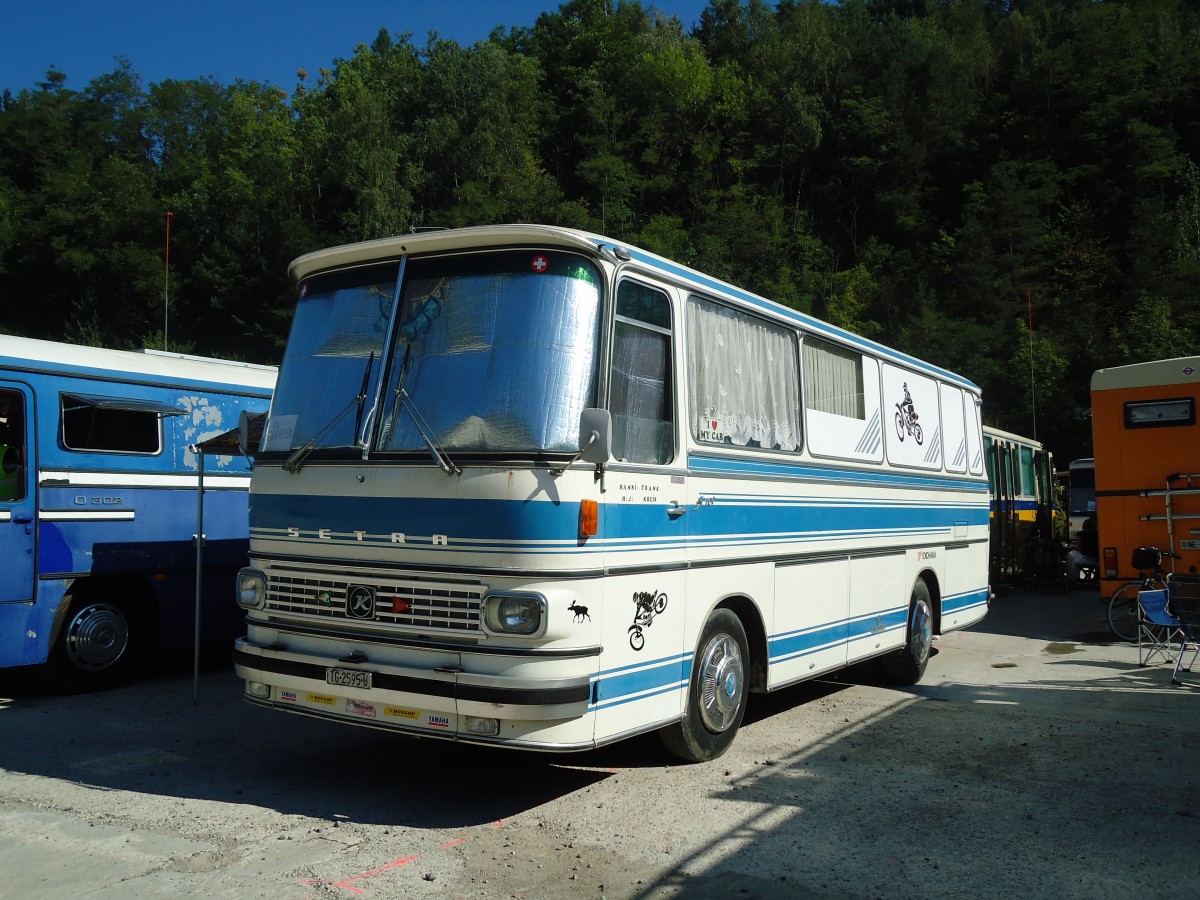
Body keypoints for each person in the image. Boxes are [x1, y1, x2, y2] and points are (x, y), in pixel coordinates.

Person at [1066, 517, 1098, 587]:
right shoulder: (1098, 534)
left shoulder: (1080, 534)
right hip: (1096, 560)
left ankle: (1073, 578)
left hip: (1086, 559)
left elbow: (1080, 550)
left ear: (1083, 526)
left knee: (1070, 555)